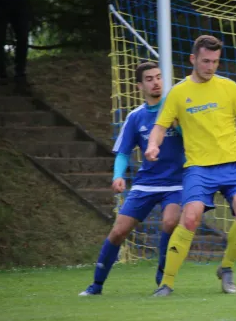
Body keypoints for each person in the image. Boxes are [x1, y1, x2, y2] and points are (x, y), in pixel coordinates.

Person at [145, 35, 236, 296]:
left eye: (215, 62)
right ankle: (167, 283)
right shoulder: (178, 93)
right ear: (193, 59)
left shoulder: (229, 88)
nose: (210, 66)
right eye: (205, 61)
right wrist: (153, 145)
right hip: (199, 168)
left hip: (235, 164)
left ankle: (226, 268)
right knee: (191, 217)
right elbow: (160, 126)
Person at [79, 62, 185, 296]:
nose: (156, 82)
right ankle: (96, 285)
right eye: (149, 79)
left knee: (170, 222)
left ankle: (162, 279)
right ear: (140, 85)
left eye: (159, 77)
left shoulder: (176, 110)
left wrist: (178, 129)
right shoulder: (136, 117)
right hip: (146, 183)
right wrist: (118, 176)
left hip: (177, 182)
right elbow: (124, 152)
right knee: (118, 231)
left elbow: (196, 139)